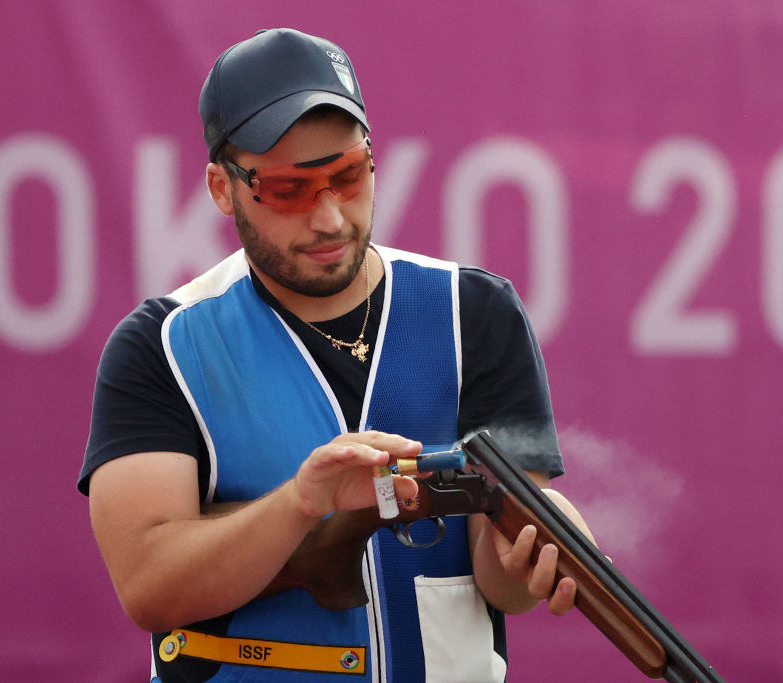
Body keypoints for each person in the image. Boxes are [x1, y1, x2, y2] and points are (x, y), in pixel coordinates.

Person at [79, 27, 595, 682]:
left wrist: (531, 553)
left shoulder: (475, 312)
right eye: (289, 190)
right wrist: (300, 503)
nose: (329, 218)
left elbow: (503, 581)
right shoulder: (162, 345)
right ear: (221, 187)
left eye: (347, 176)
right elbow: (150, 585)